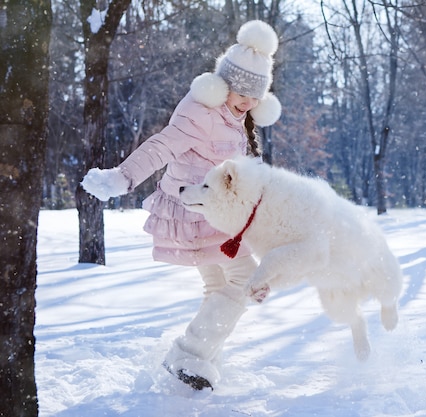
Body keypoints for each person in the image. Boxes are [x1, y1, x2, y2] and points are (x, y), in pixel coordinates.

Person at [80, 20, 281, 391]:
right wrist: (121, 178)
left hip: (217, 214)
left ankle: (199, 367)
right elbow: (161, 147)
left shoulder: (239, 120)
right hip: (195, 213)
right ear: (224, 84)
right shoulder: (200, 112)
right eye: (242, 92)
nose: (248, 102)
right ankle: (188, 353)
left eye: (256, 95)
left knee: (217, 285)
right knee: (246, 278)